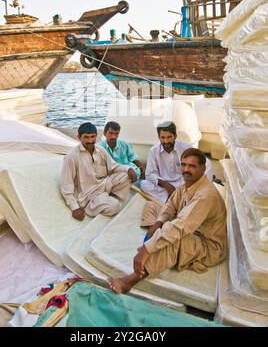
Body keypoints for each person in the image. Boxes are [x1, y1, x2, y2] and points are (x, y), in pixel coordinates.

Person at [108, 148, 227, 294]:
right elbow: (171, 205)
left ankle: (131, 280)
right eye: (183, 165)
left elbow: (180, 226)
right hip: (187, 225)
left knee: (174, 238)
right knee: (152, 206)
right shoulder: (188, 184)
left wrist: (146, 249)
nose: (186, 169)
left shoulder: (205, 195)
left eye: (192, 166)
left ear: (203, 168)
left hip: (207, 245)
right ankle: (159, 235)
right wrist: (158, 224)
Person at [60, 122, 137, 220]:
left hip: (103, 184)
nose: (90, 140)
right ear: (79, 137)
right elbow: (66, 186)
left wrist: (128, 169)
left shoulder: (100, 150)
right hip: (88, 195)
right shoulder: (71, 157)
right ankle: (95, 205)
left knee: (126, 176)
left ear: (97, 136)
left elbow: (114, 166)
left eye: (93, 137)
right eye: (86, 137)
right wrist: (75, 208)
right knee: (115, 206)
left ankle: (107, 198)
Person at [140, 121, 213, 203]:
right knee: (144, 184)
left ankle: (178, 198)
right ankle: (175, 199)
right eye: (163, 137)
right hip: (164, 187)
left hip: (183, 183)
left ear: (175, 136)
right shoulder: (153, 151)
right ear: (159, 137)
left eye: (169, 137)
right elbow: (149, 173)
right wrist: (166, 185)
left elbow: (205, 162)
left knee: (208, 165)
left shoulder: (186, 147)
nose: (166, 141)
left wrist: (194, 181)